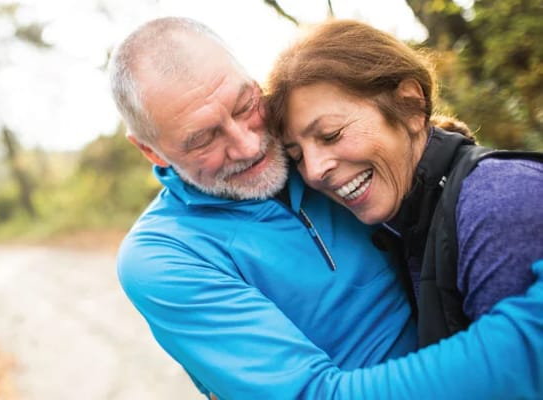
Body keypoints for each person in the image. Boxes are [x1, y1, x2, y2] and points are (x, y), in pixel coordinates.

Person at [108, 16, 543, 399]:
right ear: (153, 152)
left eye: (246, 106)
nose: (248, 145)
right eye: (203, 139)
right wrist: (529, 335)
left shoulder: (315, 153)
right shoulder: (165, 255)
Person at [264, 19, 543, 347]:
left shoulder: (497, 206)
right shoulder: (405, 227)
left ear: (410, 105)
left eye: (331, 135)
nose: (313, 171)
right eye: (296, 155)